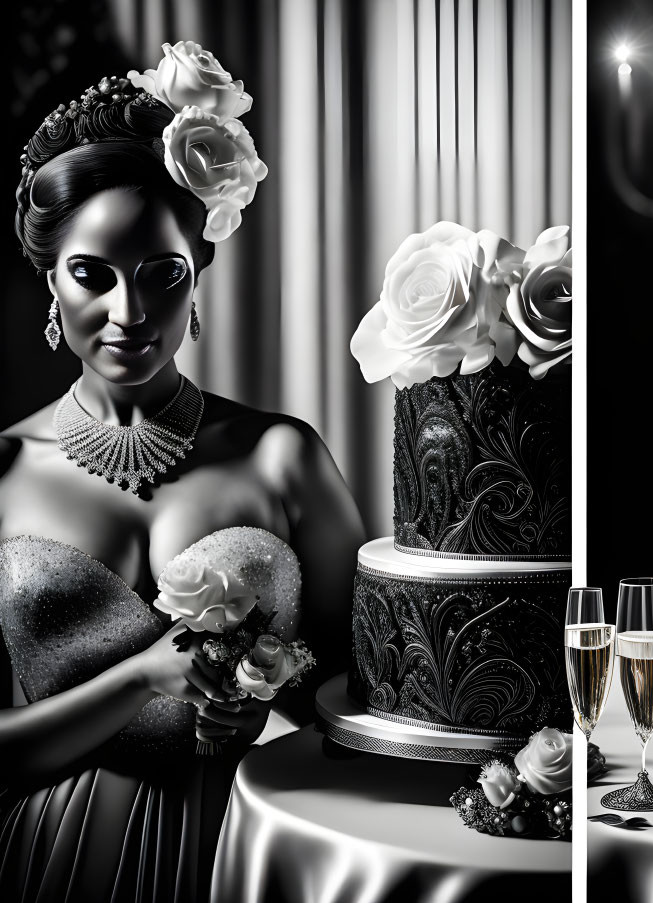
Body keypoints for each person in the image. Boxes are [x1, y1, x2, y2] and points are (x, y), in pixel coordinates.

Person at [0, 49, 365, 902]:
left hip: (256, 845)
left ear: (198, 274)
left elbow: (364, 695)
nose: (129, 314)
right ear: (50, 279)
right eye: (93, 276)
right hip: (52, 857)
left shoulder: (283, 456)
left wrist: (270, 706)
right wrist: (138, 679)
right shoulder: (7, 470)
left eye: (160, 277)